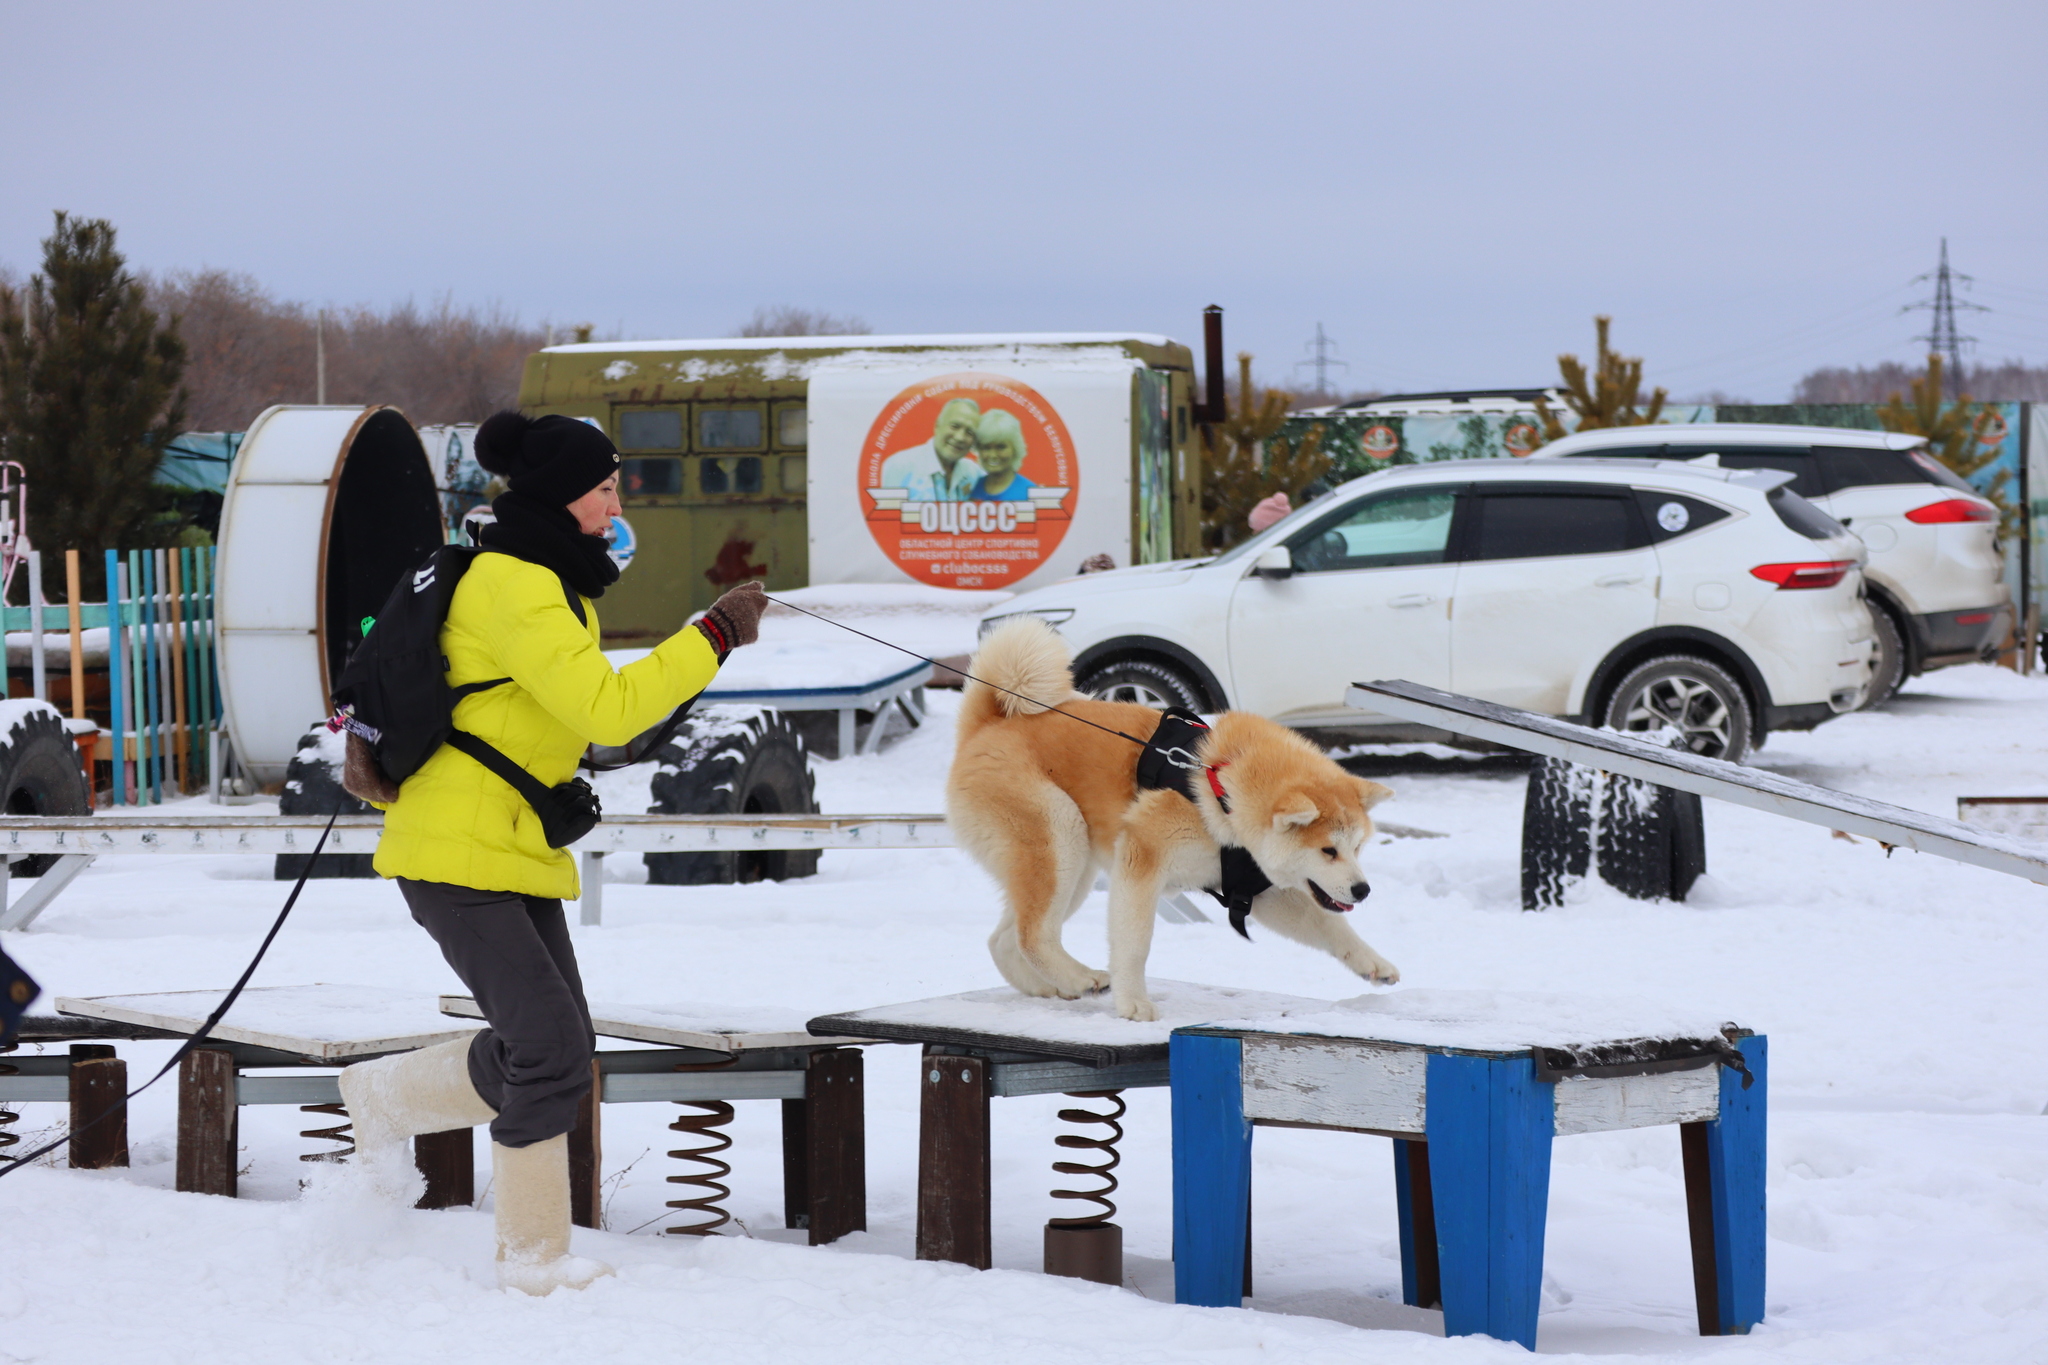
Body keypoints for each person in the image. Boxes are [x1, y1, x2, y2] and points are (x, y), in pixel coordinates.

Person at [337, 411, 767, 1295]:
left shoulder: (541, 577)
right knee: (549, 1052)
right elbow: (607, 709)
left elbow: (564, 717)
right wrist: (712, 635)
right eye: (606, 488)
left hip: (505, 848)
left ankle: (379, 1097)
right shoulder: (517, 584)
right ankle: (531, 1257)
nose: (617, 504)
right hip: (456, 853)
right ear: (564, 496)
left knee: (553, 1048)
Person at [878, 397, 982, 500]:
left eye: (969, 432)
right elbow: (888, 515)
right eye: (955, 426)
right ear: (937, 425)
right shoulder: (900, 466)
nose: (960, 437)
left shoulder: (973, 472)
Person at [967, 409, 1036, 501]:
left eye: (1001, 447)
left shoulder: (1030, 493)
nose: (993, 455)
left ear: (1015, 449)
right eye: (986, 447)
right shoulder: (971, 488)